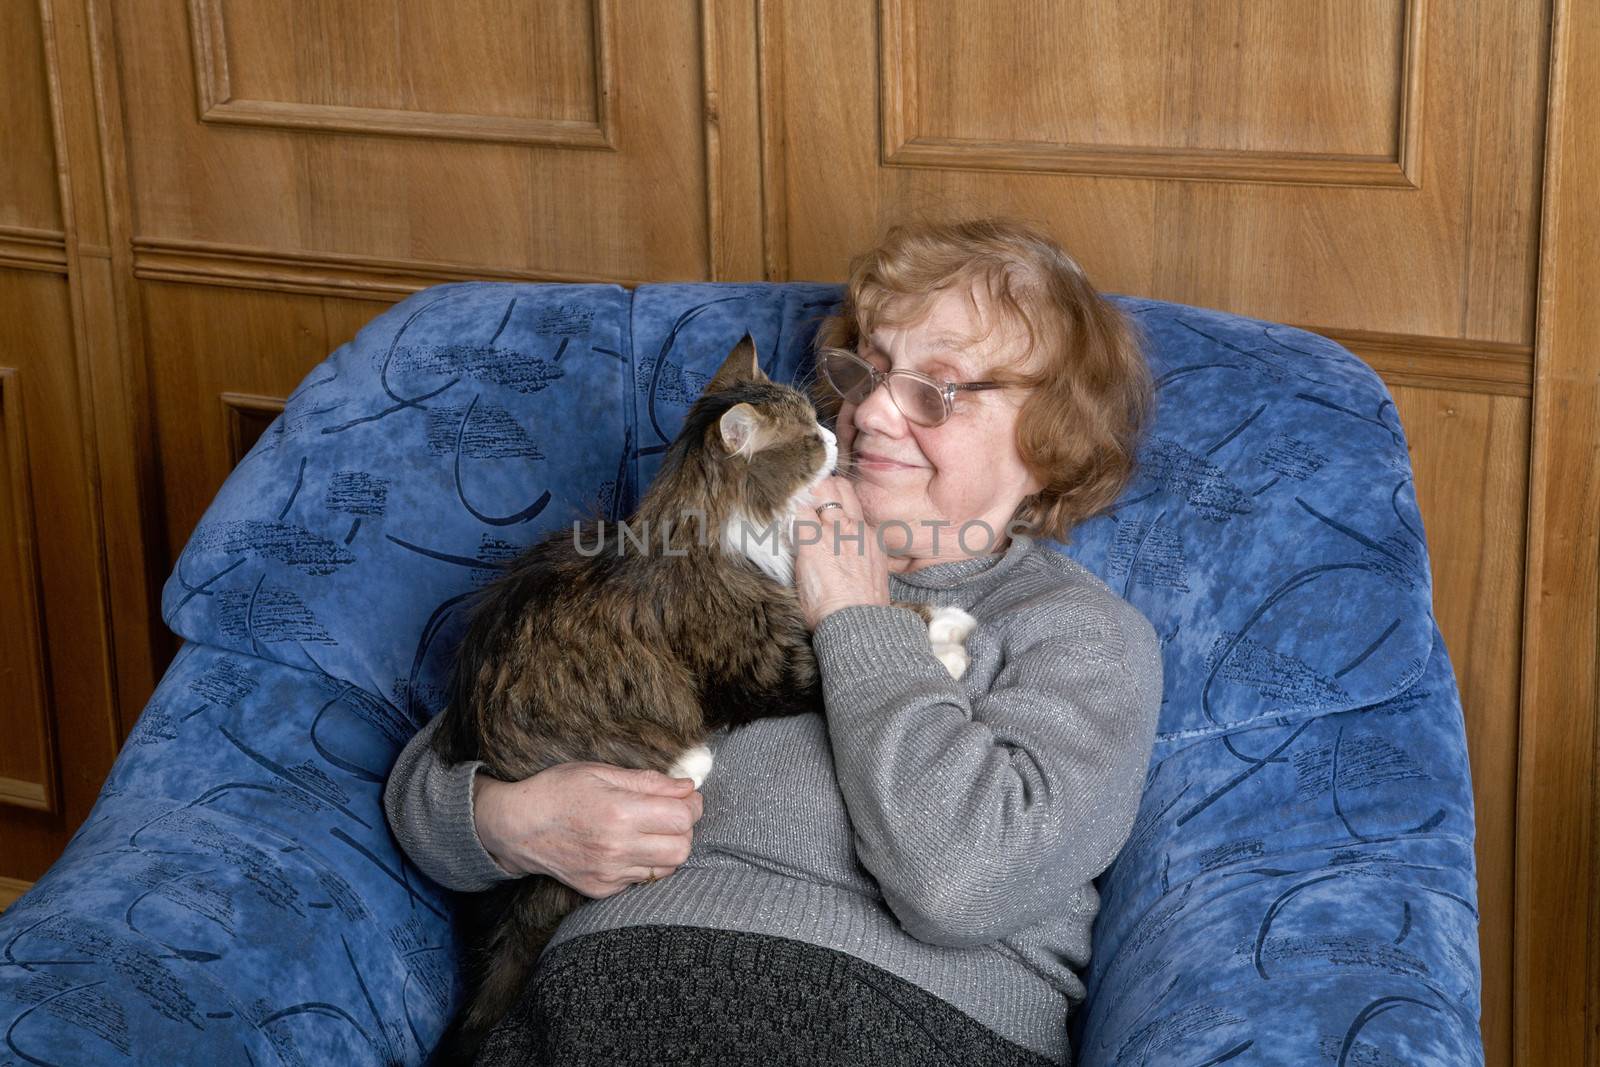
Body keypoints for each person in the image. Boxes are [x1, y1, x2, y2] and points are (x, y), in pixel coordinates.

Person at [384, 216, 1162, 1066]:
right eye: (866, 370)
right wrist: (512, 820)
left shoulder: (1080, 632)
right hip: (585, 1010)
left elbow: (959, 884)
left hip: (893, 1026)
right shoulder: (702, 549)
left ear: (1052, 434)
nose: (869, 413)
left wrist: (858, 621)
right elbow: (429, 784)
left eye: (935, 388)